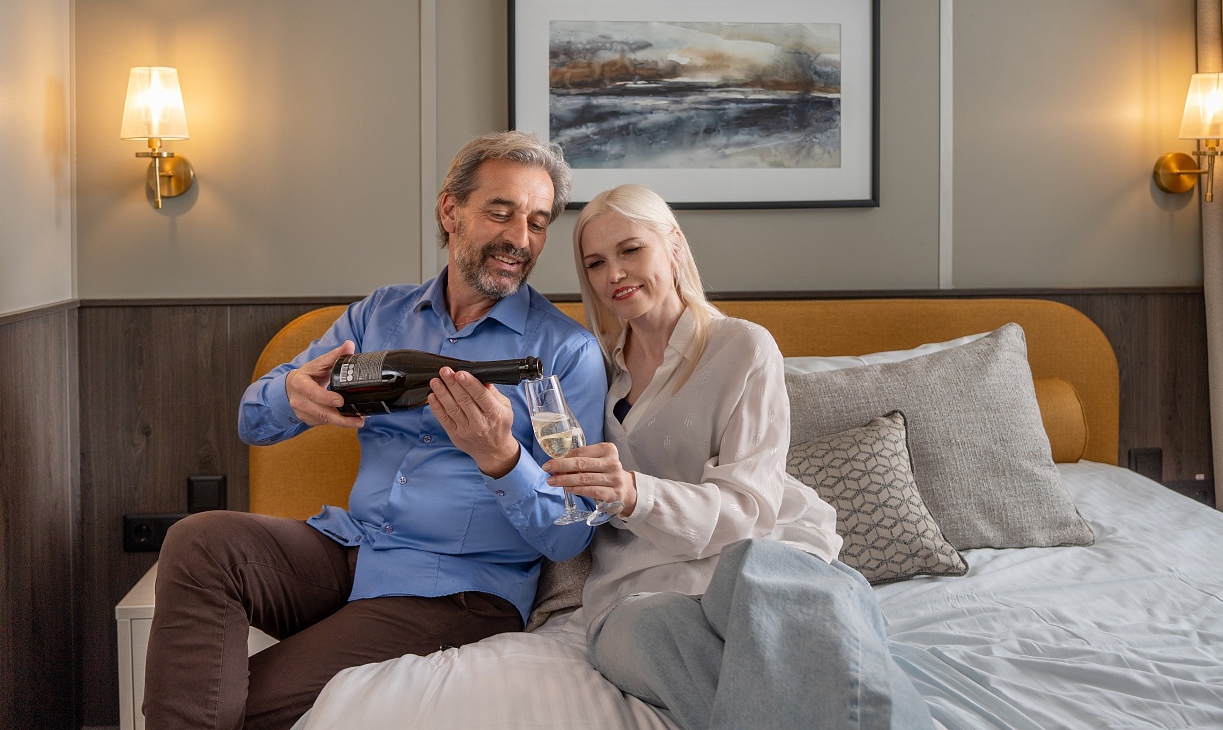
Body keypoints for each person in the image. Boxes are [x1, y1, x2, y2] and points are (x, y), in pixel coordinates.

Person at [142, 131, 608, 730]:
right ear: (450, 211)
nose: (521, 238)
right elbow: (251, 421)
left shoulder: (565, 353)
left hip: (457, 590)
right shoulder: (381, 315)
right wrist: (292, 395)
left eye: (538, 223)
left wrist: (501, 457)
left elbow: (570, 534)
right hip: (351, 549)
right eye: (501, 212)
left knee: (240, 709)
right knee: (199, 540)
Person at [544, 184, 934, 730]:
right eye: (596, 263)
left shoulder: (744, 347)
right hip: (640, 586)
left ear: (674, 246)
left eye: (631, 250)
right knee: (654, 638)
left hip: (752, 557)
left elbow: (748, 509)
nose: (615, 274)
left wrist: (636, 493)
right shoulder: (591, 368)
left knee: (773, 587)